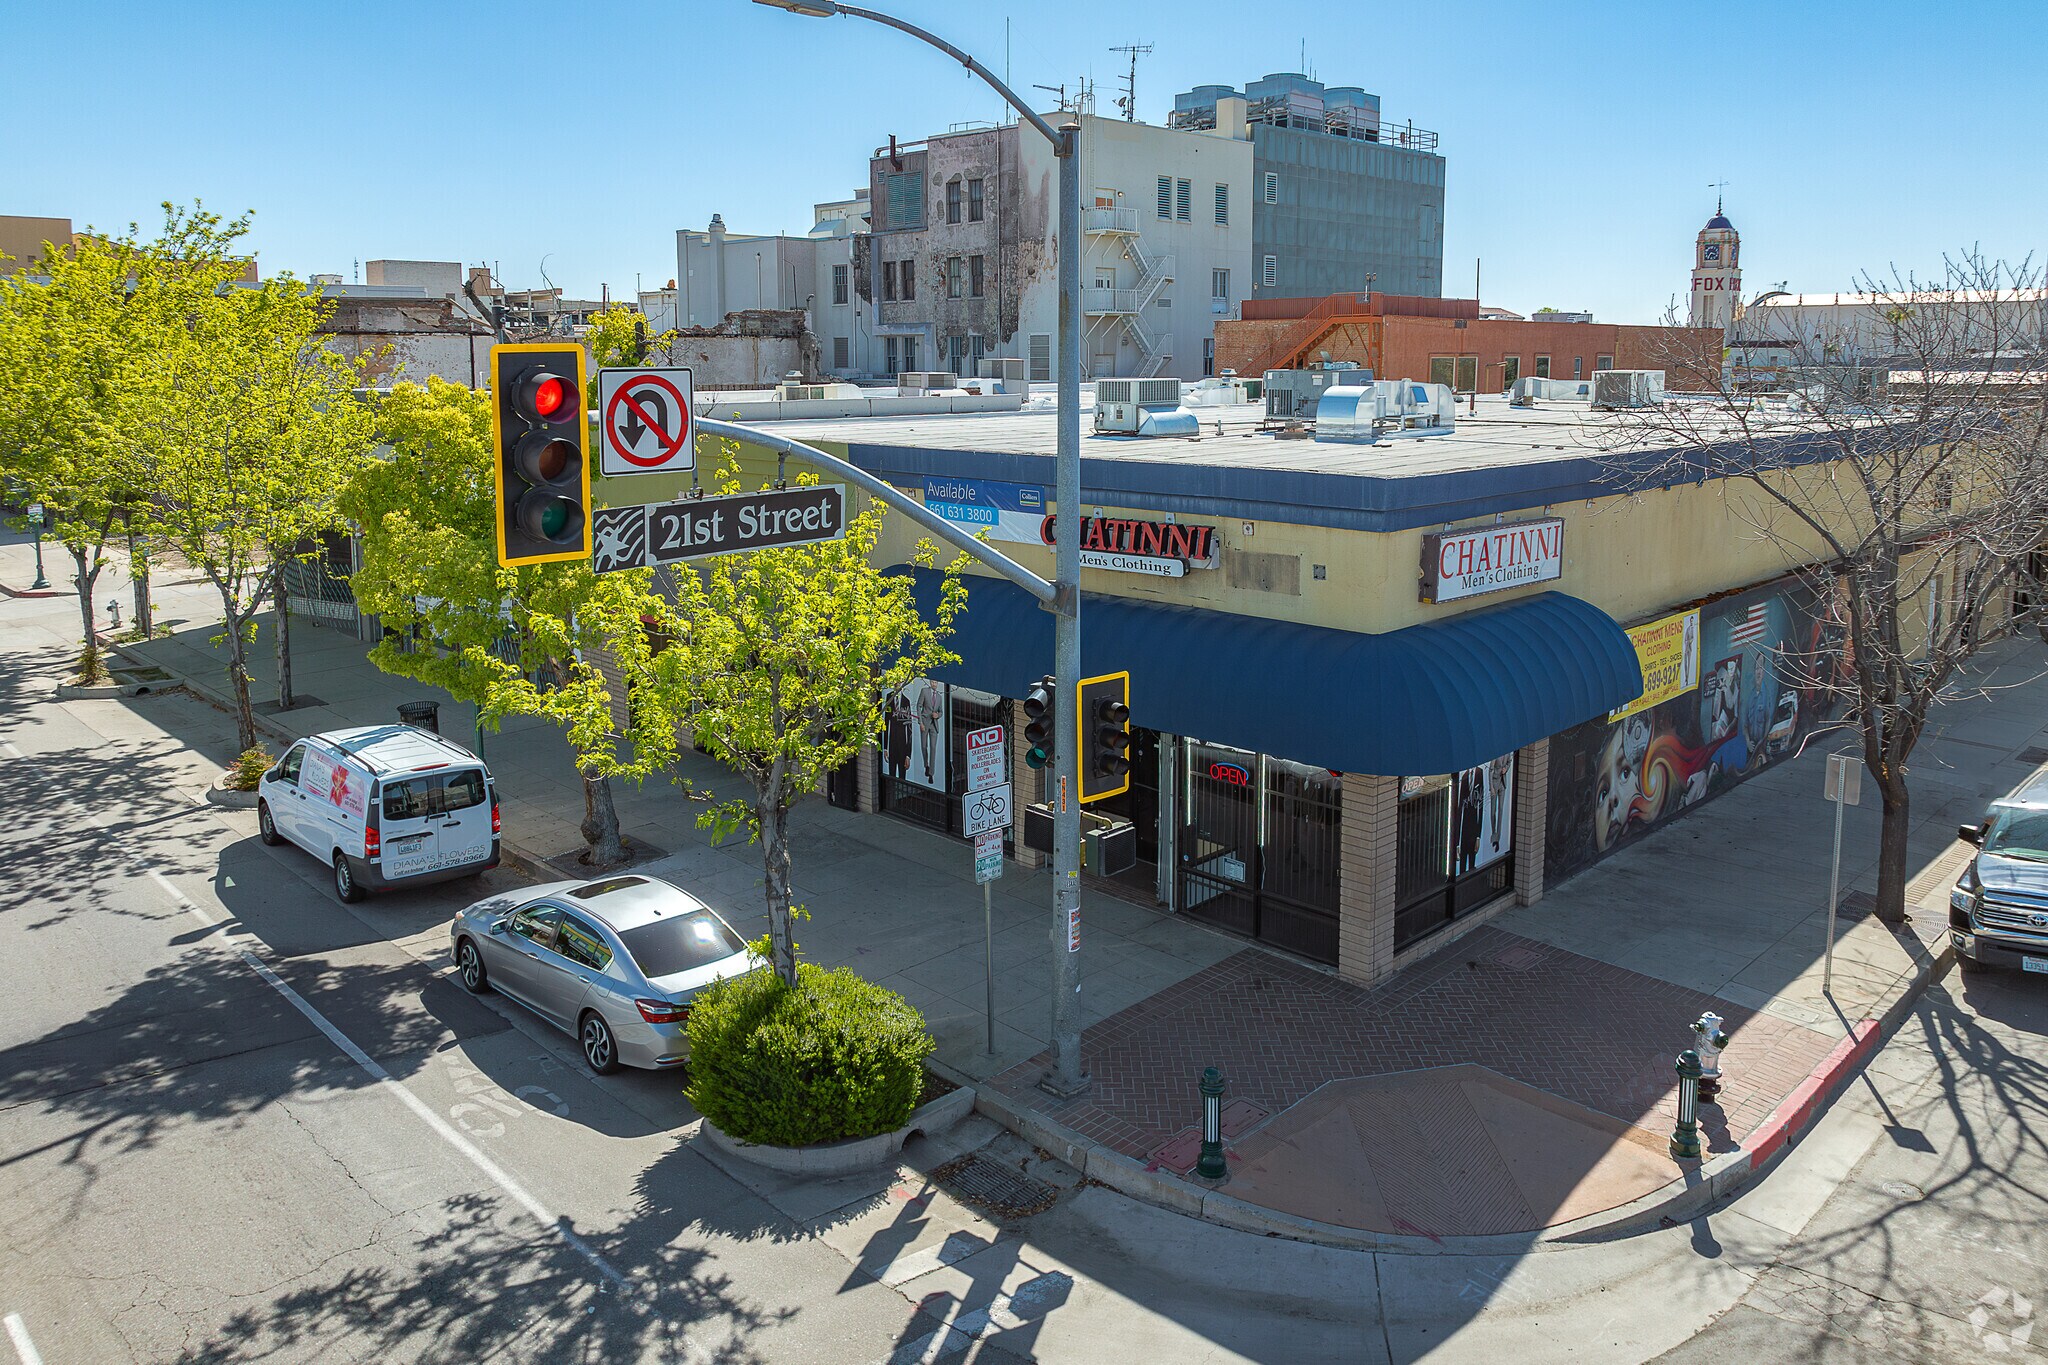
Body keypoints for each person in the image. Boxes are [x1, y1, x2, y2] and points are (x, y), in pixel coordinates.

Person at [885, 695, 911, 782]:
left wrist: (908, 755)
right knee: (891, 774)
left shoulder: (906, 701)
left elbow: (909, 728)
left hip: (902, 745)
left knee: (902, 775)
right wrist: (885, 748)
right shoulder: (889, 697)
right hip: (892, 744)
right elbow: (886, 722)